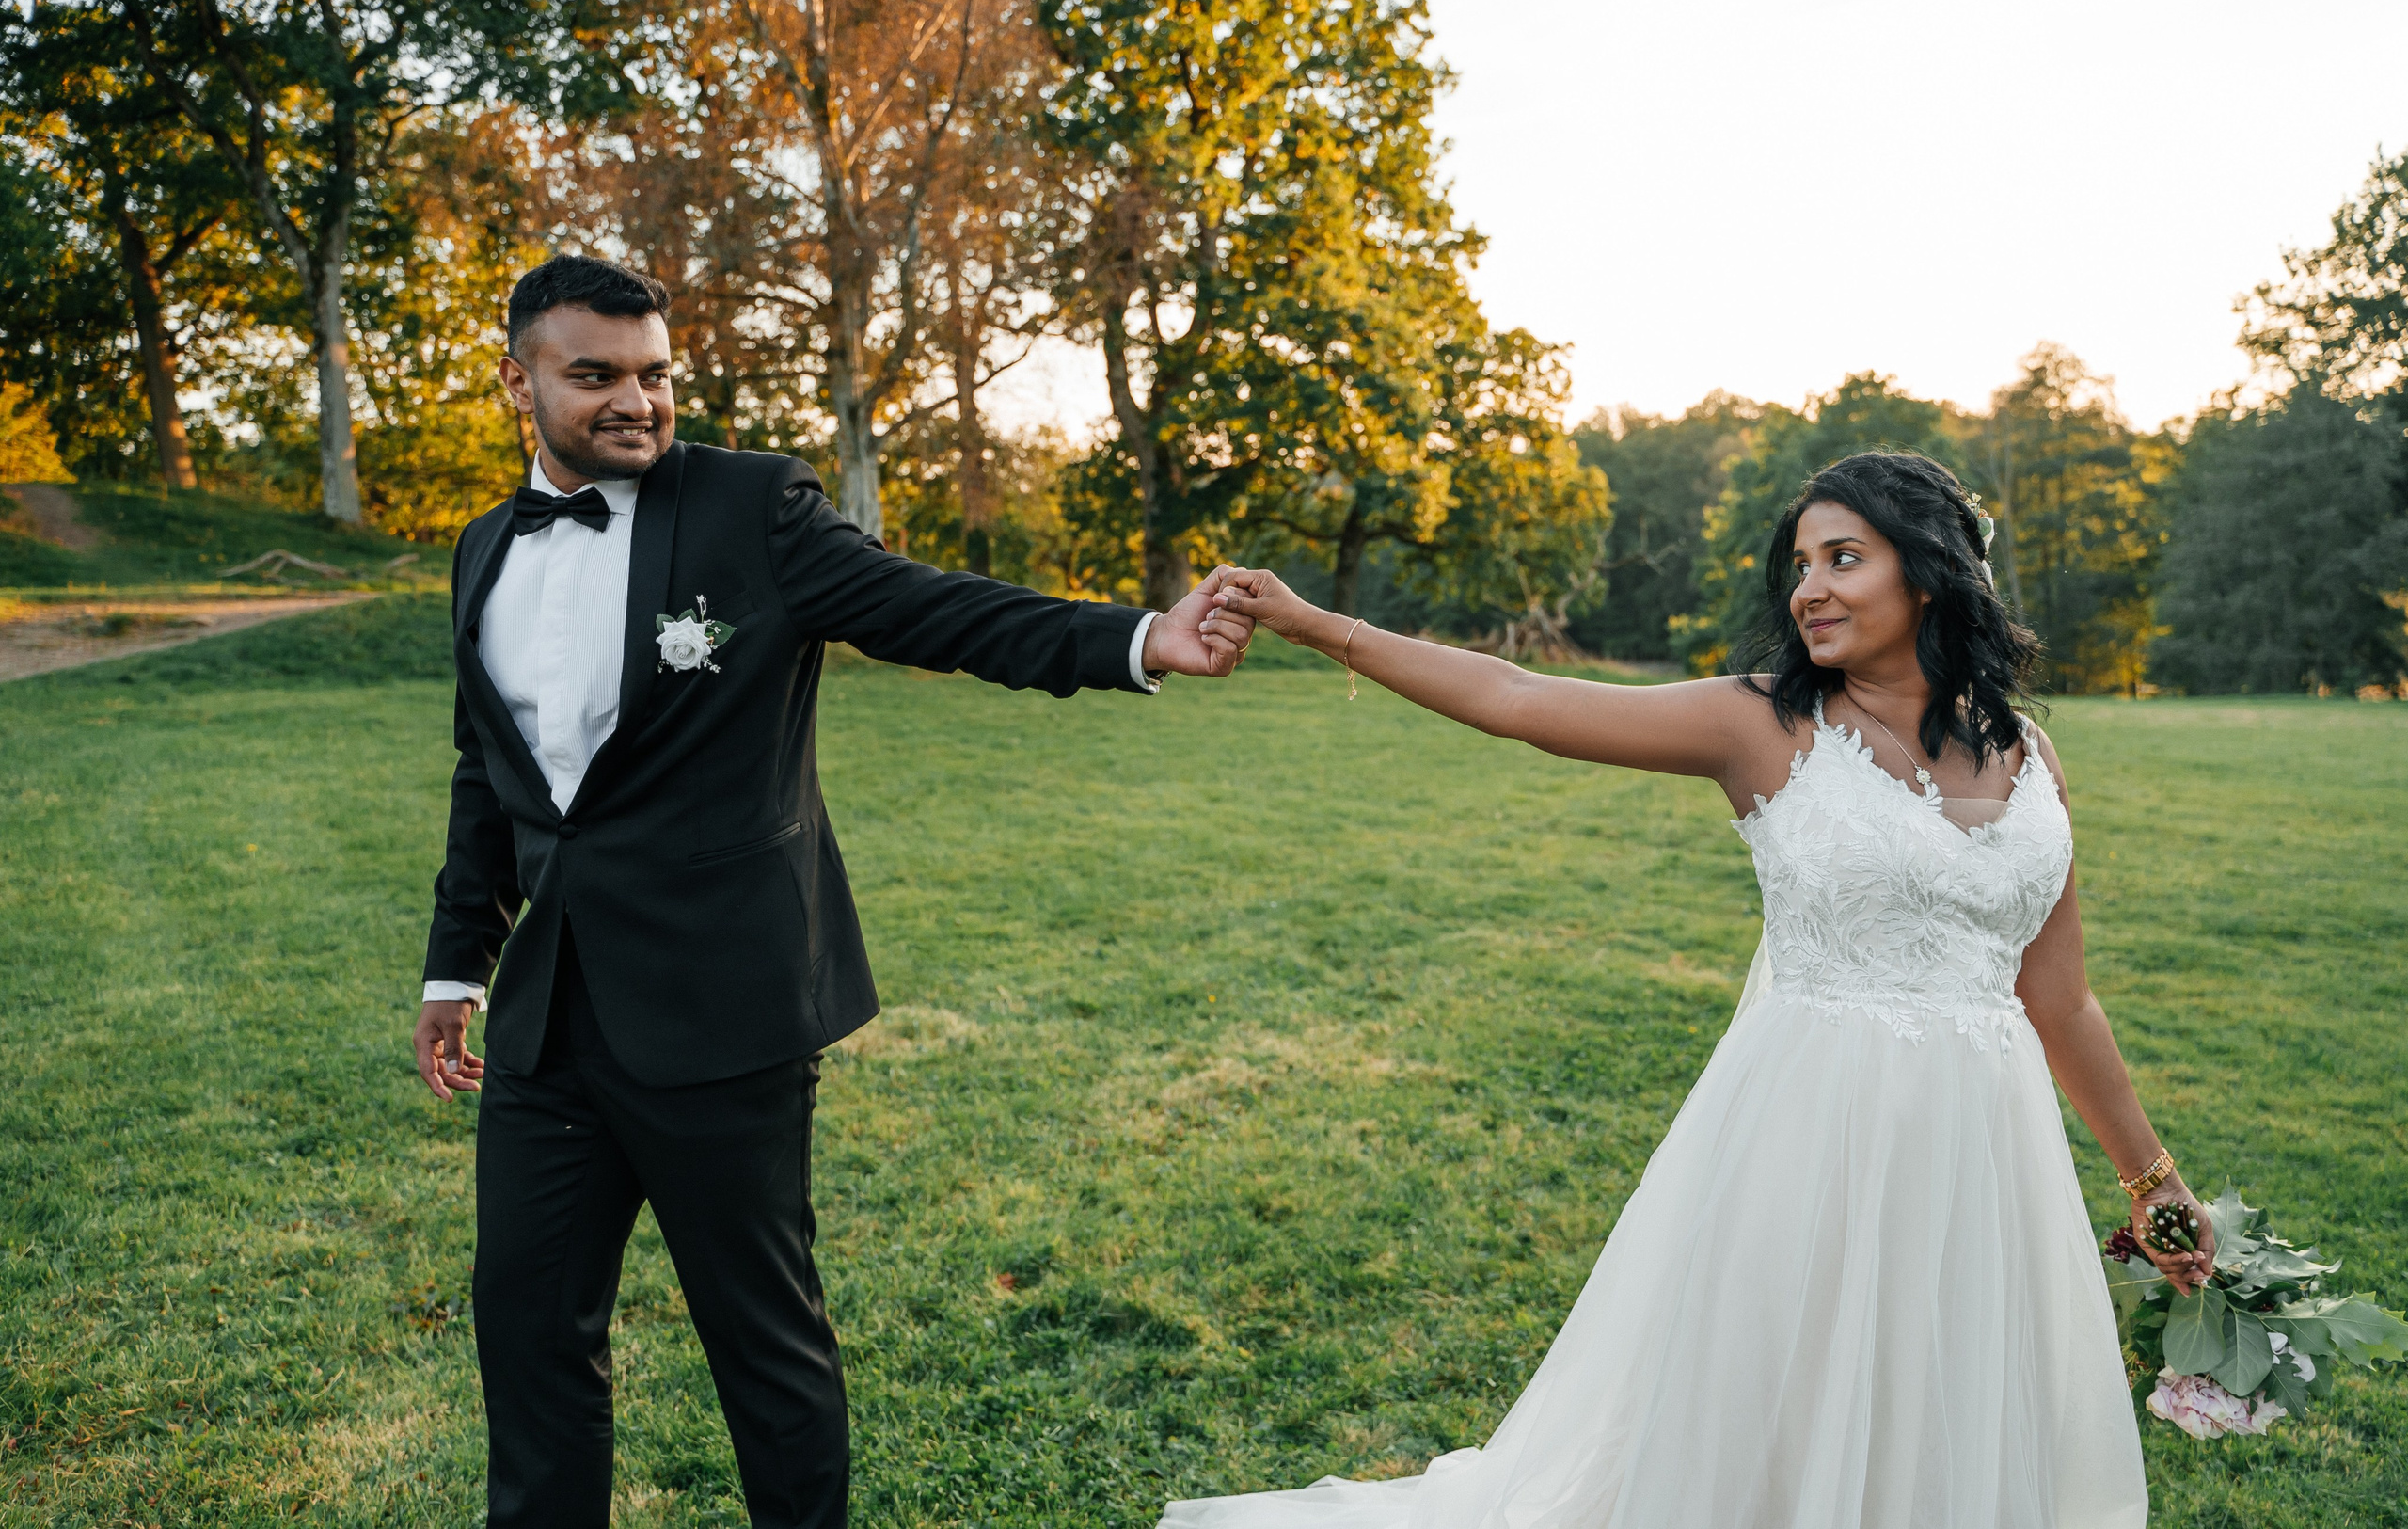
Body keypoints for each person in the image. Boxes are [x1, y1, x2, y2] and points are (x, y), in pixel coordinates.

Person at [1171, 452, 2209, 1529]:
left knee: (1942, 1405)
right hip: (1807, 1143)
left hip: (1986, 1153)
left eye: (1842, 557)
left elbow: (2061, 998)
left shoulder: (2030, 751)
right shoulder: (1758, 724)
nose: (1807, 587)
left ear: (1932, 573)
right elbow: (1518, 696)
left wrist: (2152, 1180)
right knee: (1775, 1417)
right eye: (1798, 564)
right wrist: (1317, 624)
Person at [409, 253, 1254, 1529]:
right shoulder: (482, 551)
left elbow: (934, 610)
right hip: (549, 1021)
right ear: (516, 379)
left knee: (765, 1347)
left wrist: (1138, 638)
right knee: (525, 1328)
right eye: (595, 376)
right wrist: (455, 965)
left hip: (724, 1011)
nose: (636, 401)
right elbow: (493, 775)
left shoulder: (753, 508)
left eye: (655, 375)